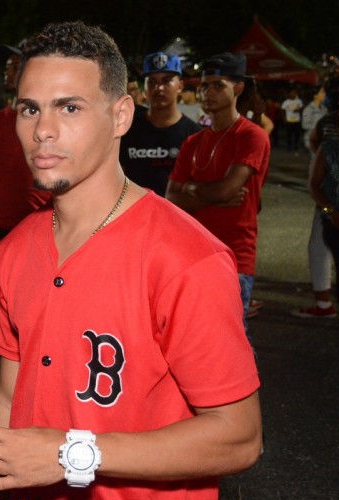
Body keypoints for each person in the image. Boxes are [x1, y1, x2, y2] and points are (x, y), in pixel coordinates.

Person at [0, 21, 262, 500]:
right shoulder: (15, 250)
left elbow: (239, 437)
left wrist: (74, 454)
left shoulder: (186, 258)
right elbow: (9, 400)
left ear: (121, 115)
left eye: (69, 107)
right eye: (30, 108)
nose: (43, 129)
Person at [0, 41, 51, 407]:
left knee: (41, 313)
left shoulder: (50, 122)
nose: (9, 71)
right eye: (8, 66)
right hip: (1, 235)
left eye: (17, 64)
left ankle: (40, 384)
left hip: (45, 231)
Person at [167, 52, 271, 333]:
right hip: (191, 254)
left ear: (238, 88)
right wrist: (207, 195)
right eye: (204, 86)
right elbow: (171, 198)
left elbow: (227, 190)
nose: (207, 92)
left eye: (217, 86)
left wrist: (191, 189)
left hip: (233, 256)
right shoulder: (192, 142)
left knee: (230, 340)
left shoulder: (251, 136)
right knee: (194, 339)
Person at [118, 51, 200, 196]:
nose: (159, 88)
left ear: (180, 86)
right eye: (152, 82)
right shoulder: (125, 130)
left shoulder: (195, 135)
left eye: (166, 81)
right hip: (134, 209)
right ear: (144, 88)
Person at [294, 77, 339, 317]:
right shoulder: (326, 124)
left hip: (329, 197)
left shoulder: (327, 123)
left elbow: (314, 143)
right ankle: (323, 303)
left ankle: (323, 303)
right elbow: (315, 143)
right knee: (320, 245)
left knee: (319, 246)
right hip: (329, 198)